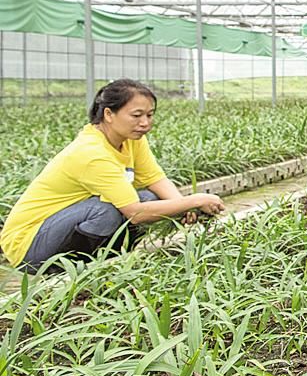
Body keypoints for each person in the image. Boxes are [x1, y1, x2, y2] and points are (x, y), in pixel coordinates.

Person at [1, 79, 226, 273]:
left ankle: (111, 264)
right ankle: (71, 270)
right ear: (108, 114)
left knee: (149, 197)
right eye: (136, 115)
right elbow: (135, 214)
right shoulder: (91, 153)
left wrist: (181, 206)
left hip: (62, 225)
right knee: (107, 210)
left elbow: (153, 179)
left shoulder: (130, 139)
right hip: (28, 246)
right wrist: (195, 200)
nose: (145, 123)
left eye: (149, 115)